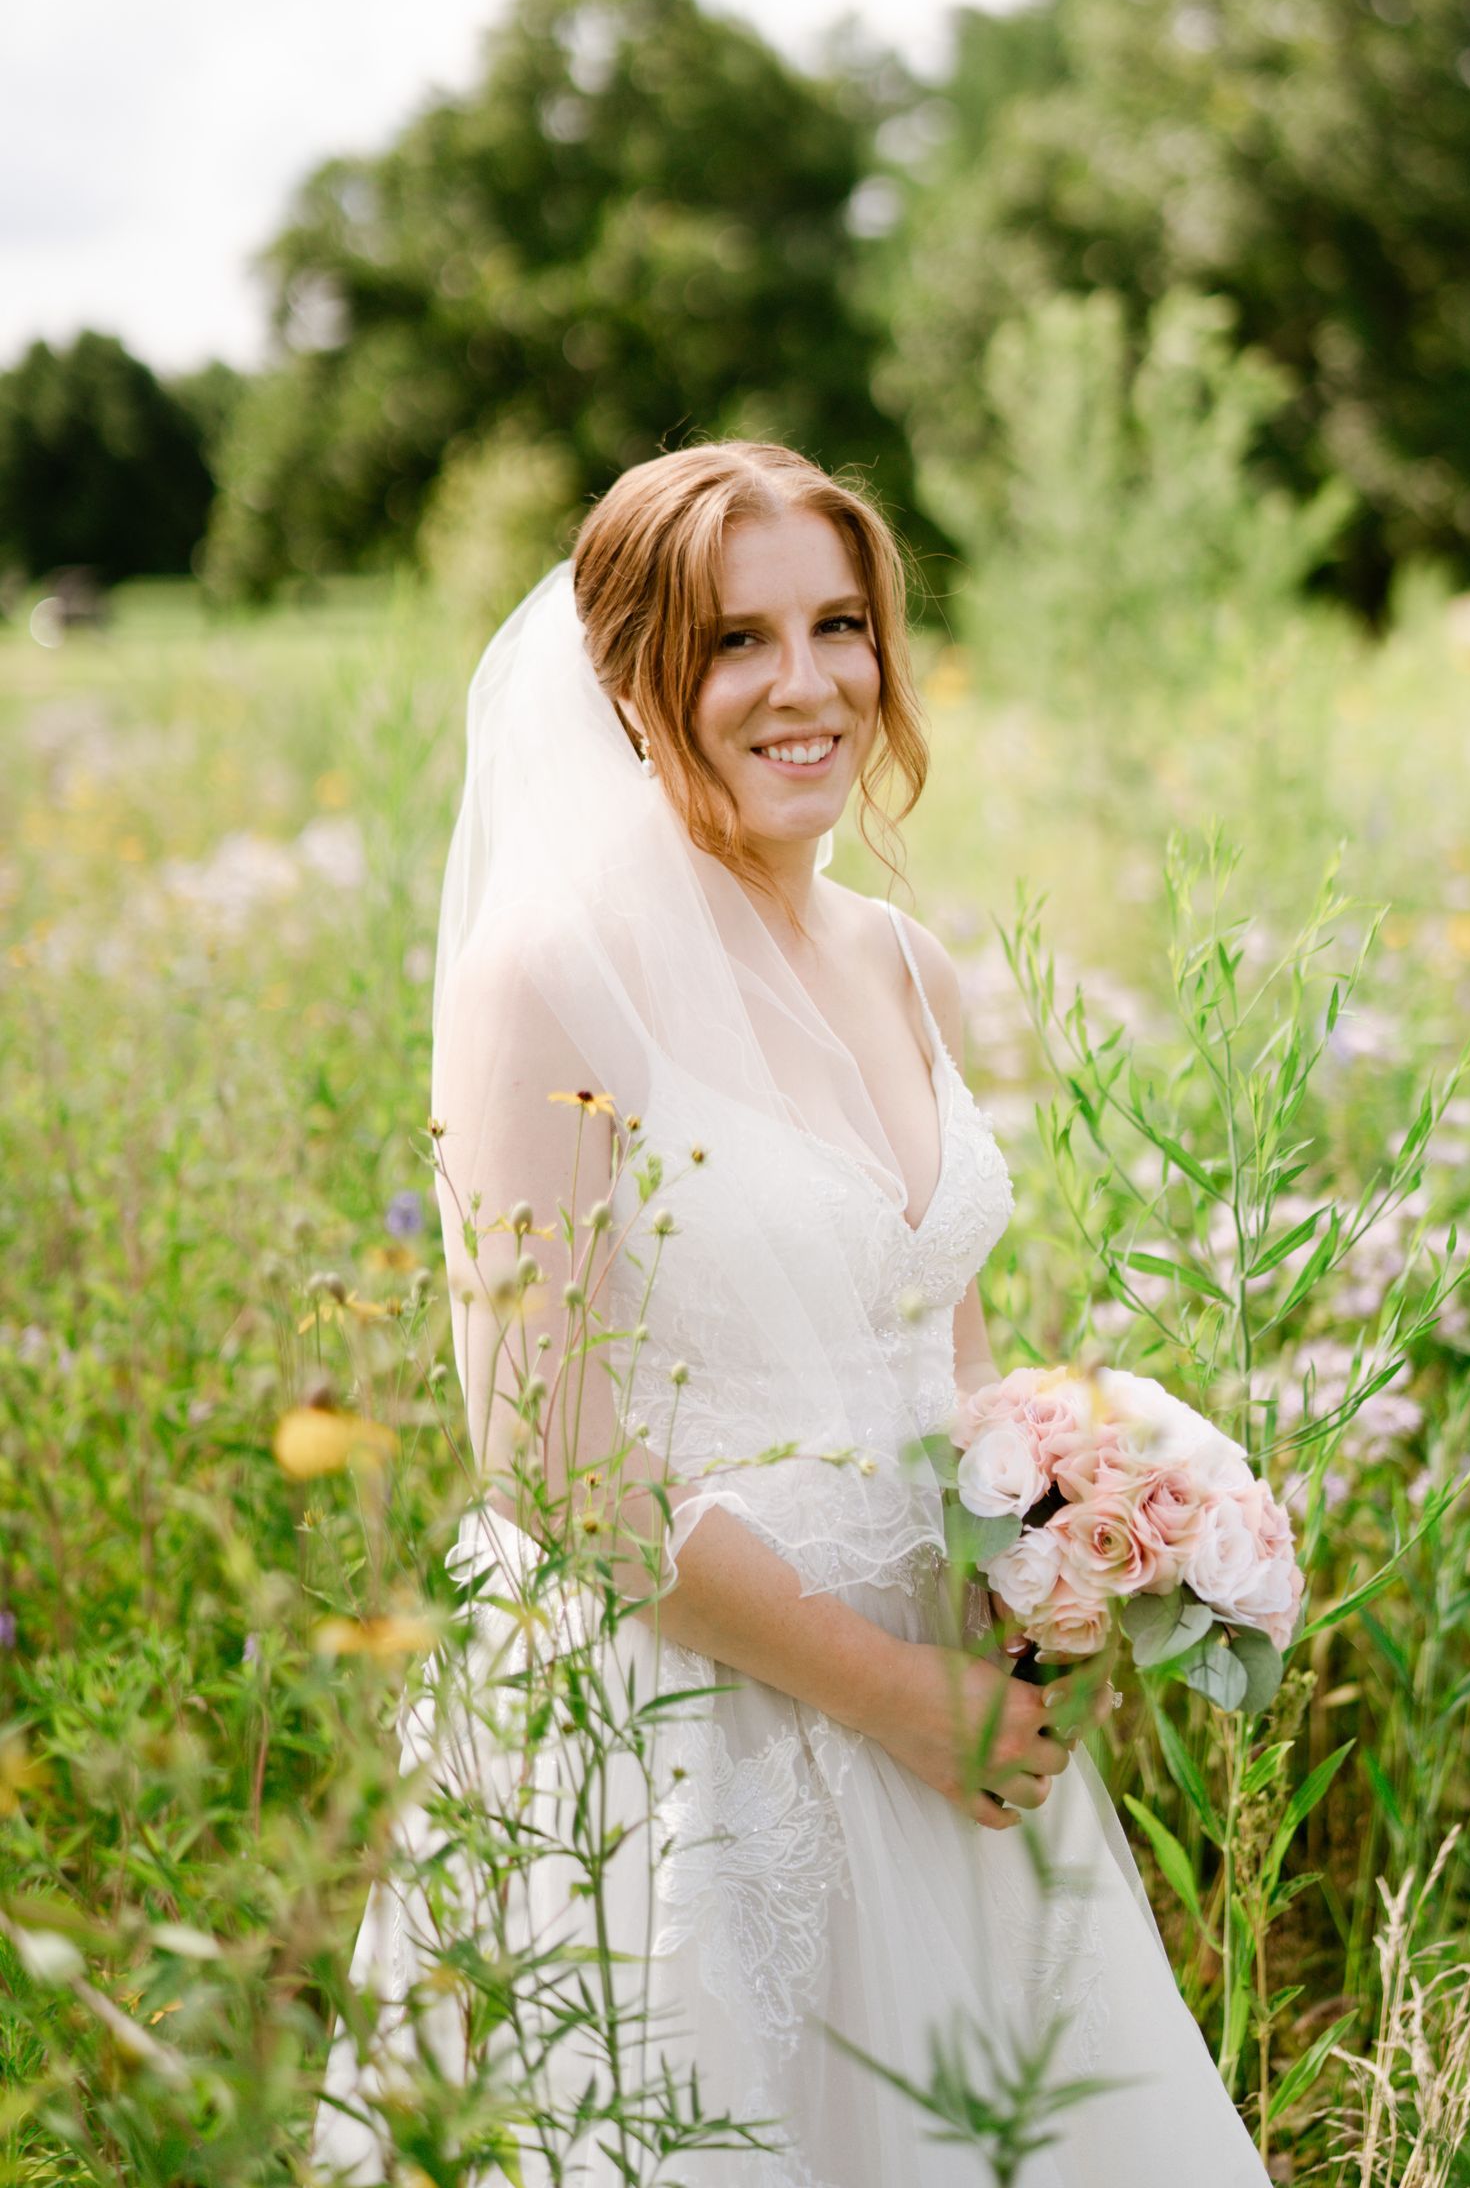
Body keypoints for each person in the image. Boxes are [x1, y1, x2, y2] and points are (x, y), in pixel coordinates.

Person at [314, 440, 1269, 2184]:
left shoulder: (905, 964)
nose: (809, 682)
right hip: (690, 1744)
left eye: (840, 623)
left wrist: (1060, 1559)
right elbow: (551, 1470)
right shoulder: (545, 974)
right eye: (735, 640)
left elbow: (945, 1357)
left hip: (943, 1719)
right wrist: (895, 1695)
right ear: (628, 680)